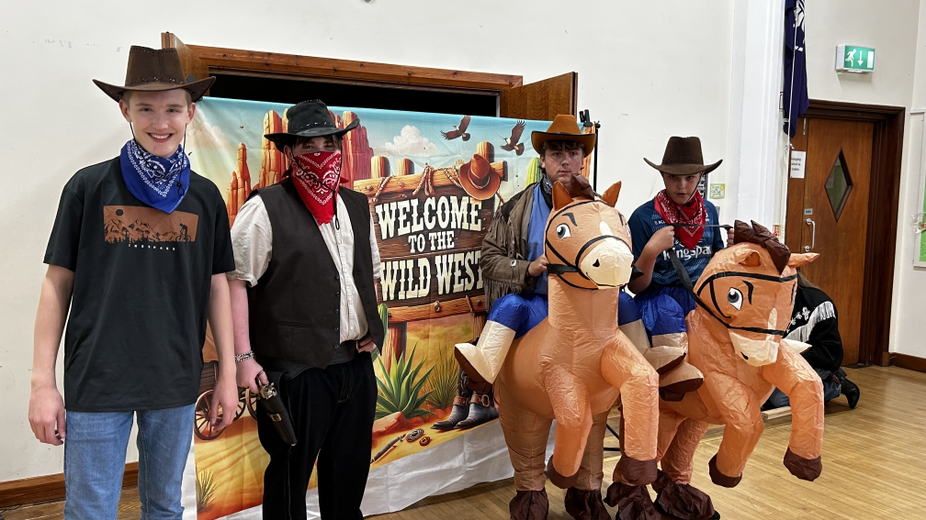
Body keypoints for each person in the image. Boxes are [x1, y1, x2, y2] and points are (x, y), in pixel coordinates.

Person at [28, 46, 238, 519]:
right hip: (98, 378)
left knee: (165, 507)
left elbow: (217, 287)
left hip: (175, 380)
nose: (160, 122)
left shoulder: (205, 197)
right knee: (90, 510)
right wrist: (42, 383)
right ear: (125, 110)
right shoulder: (88, 187)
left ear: (190, 113)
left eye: (172, 109)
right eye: (146, 108)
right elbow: (56, 284)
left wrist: (227, 373)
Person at [228, 99, 384, 520]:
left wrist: (371, 326)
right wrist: (243, 357)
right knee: (289, 481)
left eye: (329, 143)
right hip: (296, 372)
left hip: (354, 367)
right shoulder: (265, 208)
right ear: (289, 152)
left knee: (348, 478)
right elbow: (235, 282)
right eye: (308, 145)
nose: (321, 153)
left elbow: (367, 273)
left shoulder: (356, 205)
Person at [449, 115, 648, 429]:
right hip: (542, 307)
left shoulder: (604, 211)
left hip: (591, 311)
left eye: (573, 153)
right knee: (510, 305)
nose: (565, 161)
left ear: (583, 160)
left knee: (625, 303)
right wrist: (527, 268)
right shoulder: (515, 209)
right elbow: (489, 258)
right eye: (556, 154)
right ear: (542, 161)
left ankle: (647, 369)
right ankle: (484, 373)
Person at [627, 136, 730, 399]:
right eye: (673, 177)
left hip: (699, 300)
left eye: (690, 178)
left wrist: (733, 249)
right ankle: (670, 384)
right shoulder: (643, 217)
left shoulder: (709, 212)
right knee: (667, 311)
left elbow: (717, 266)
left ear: (700, 177)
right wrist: (650, 252)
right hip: (657, 305)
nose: (682, 186)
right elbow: (635, 286)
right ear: (663, 176)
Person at [763, 271, 861, 410]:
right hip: (780, 362)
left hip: (816, 361)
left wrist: (790, 362)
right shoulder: (763, 299)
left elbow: (830, 352)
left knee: (779, 399)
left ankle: (835, 384)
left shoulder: (818, 303)